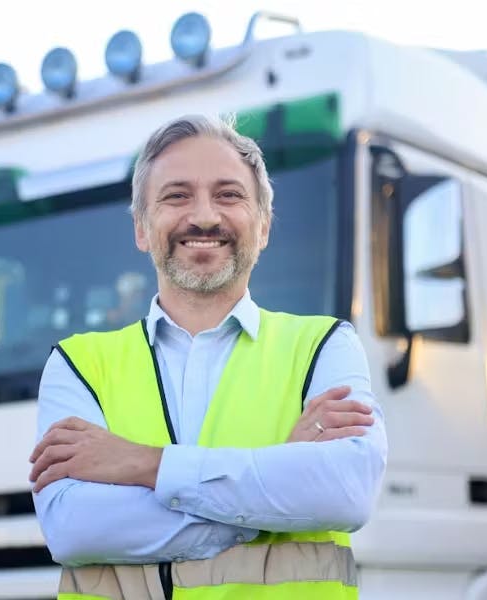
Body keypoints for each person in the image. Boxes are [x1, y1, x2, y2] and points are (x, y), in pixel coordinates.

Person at [30, 115, 387, 600]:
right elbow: (75, 528)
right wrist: (276, 492)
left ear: (262, 227)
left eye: (229, 195)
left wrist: (143, 464)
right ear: (141, 228)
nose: (203, 216)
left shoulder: (325, 345)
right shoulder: (78, 365)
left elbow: (344, 493)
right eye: (176, 195)